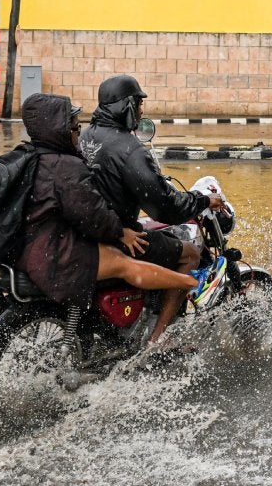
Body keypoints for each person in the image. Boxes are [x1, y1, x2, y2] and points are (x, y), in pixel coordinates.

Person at [16, 92, 199, 312]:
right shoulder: (67, 165)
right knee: (156, 258)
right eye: (75, 129)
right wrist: (121, 232)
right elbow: (91, 213)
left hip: (32, 245)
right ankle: (161, 335)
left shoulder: (28, 157)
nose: (78, 135)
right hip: (54, 250)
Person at [79, 74, 226, 345]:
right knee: (190, 254)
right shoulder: (129, 149)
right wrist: (202, 200)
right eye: (138, 104)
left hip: (88, 231)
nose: (141, 110)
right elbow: (164, 207)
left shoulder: (85, 135)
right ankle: (158, 340)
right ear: (125, 106)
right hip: (118, 236)